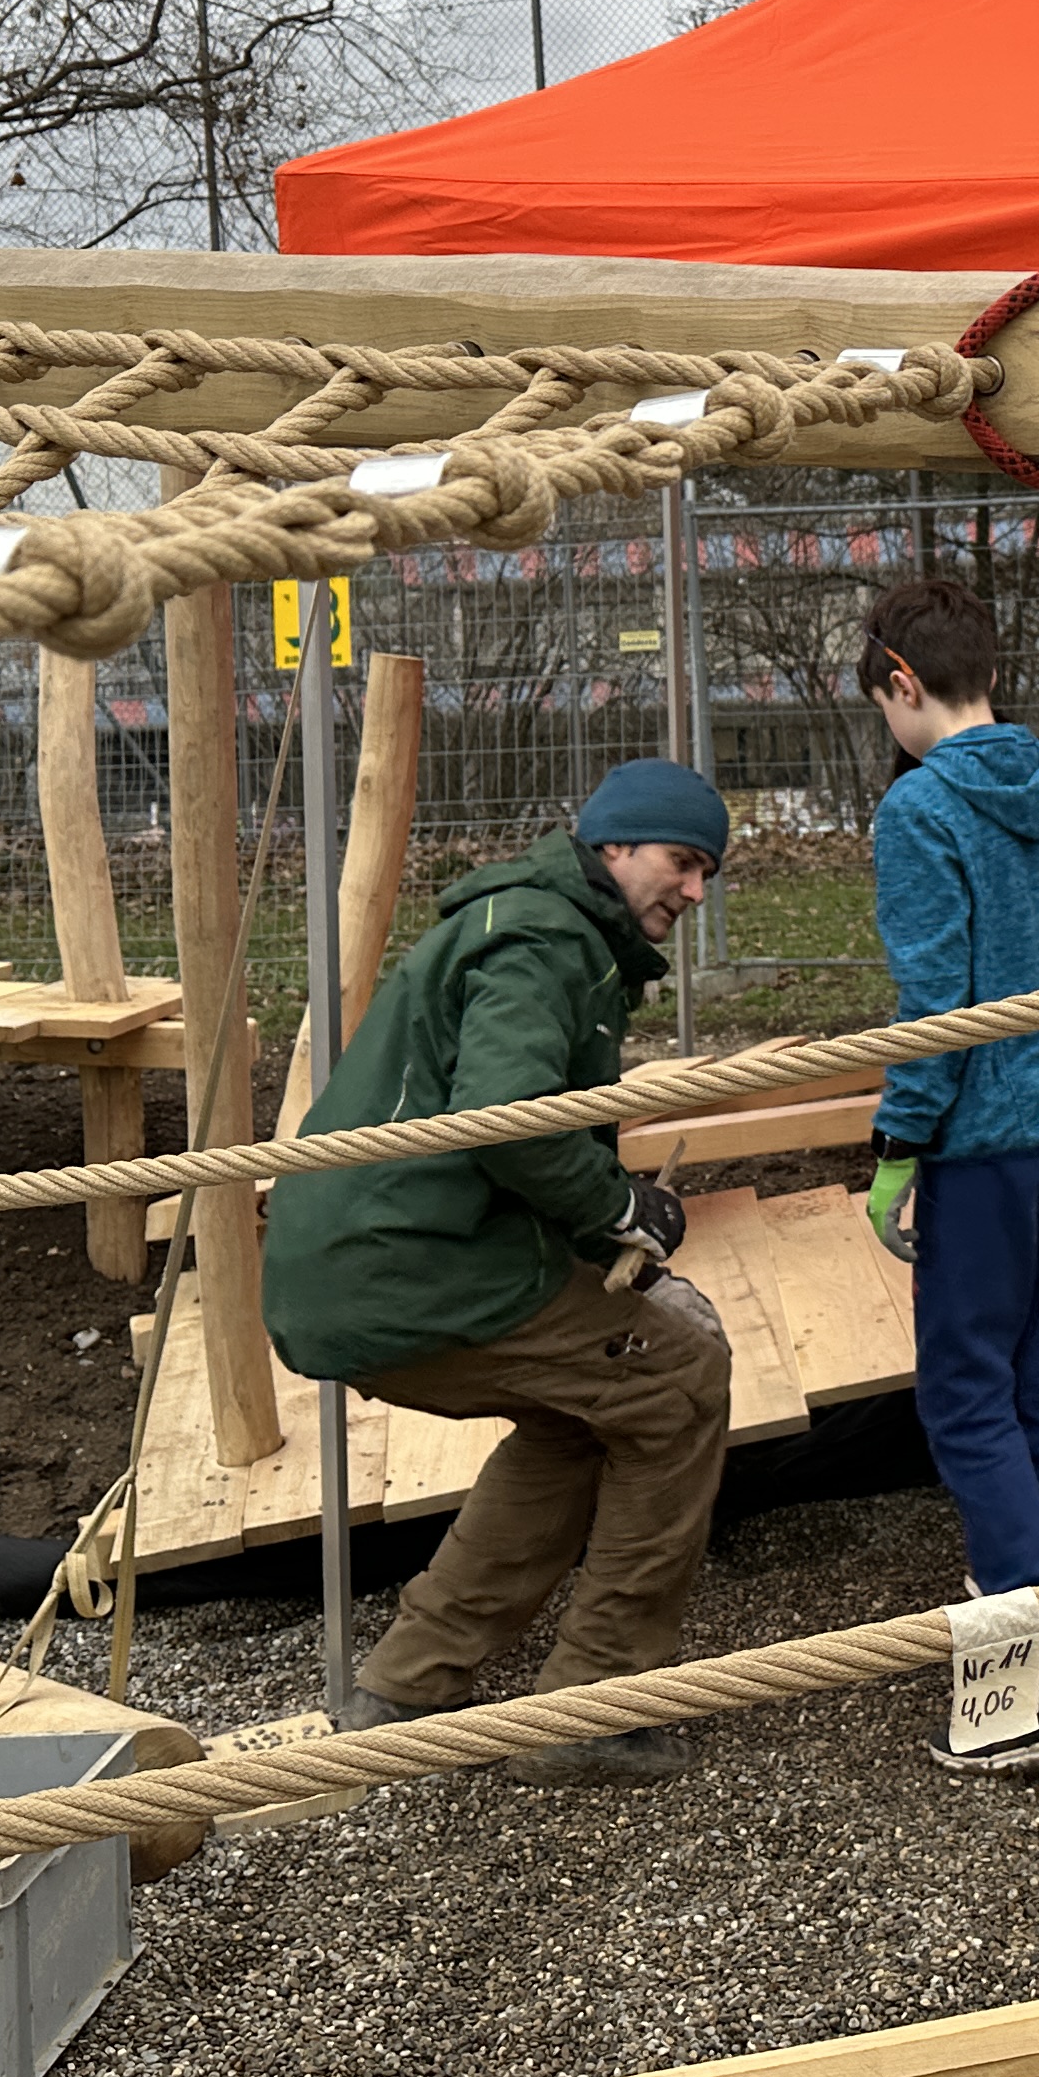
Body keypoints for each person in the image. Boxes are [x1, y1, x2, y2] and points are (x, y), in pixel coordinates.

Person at [262, 755, 733, 1783]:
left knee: (581, 1413)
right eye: (683, 862)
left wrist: (613, 1239)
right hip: (409, 1262)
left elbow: (508, 1134)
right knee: (680, 1380)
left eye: (707, 872)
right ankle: (592, 1710)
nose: (696, 891)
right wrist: (623, 1210)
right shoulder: (543, 937)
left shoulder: (532, 925)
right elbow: (506, 1120)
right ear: (614, 844)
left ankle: (407, 1689)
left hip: (360, 1258)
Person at [856, 578, 1039, 1772]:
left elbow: (937, 1001)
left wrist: (897, 1146)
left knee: (969, 1397)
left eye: (881, 703)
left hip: (990, 1136)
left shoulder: (920, 810)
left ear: (902, 684)